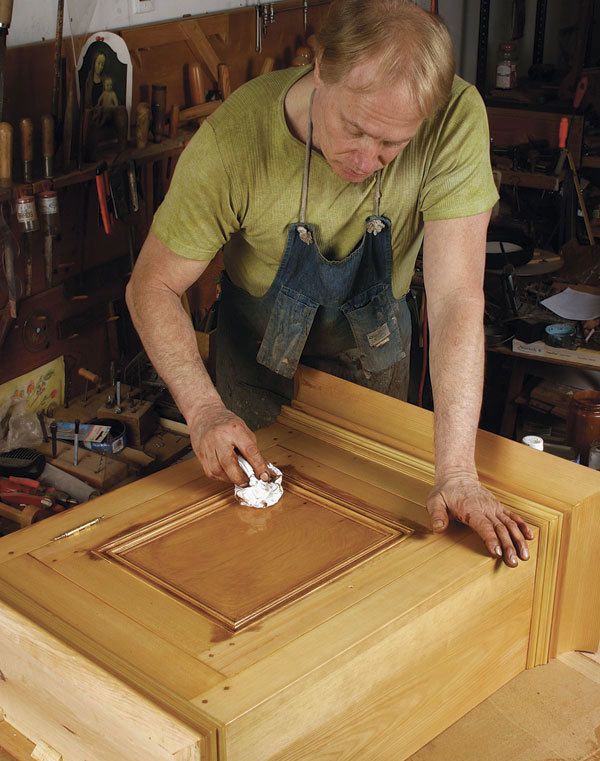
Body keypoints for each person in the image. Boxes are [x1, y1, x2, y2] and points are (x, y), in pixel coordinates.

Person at [127, 0, 533, 567]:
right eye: (355, 130)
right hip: (253, 374)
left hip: (373, 366)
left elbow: (455, 300)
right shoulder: (233, 144)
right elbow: (151, 286)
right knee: (260, 558)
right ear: (320, 69)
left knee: (363, 553)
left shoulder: (455, 119)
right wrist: (203, 411)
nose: (367, 159)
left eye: (392, 146)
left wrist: (458, 474)